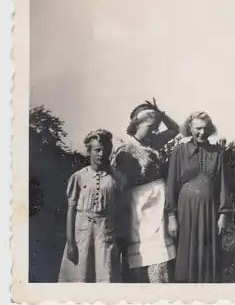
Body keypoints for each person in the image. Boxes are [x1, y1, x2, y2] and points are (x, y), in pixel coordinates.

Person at [111, 99, 180, 283]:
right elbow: (121, 184)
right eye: (151, 126)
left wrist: (160, 113)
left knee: (160, 253)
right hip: (139, 203)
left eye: (157, 126)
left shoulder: (155, 140)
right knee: (141, 252)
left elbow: (175, 130)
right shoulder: (125, 149)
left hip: (158, 201)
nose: (155, 130)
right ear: (137, 124)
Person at [165, 111, 232, 283]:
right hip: (185, 212)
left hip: (210, 212)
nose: (202, 132)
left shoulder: (218, 153)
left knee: (209, 255)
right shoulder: (179, 152)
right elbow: (171, 185)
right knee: (186, 255)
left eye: (206, 128)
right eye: (198, 128)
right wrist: (171, 216)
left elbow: (223, 185)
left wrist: (223, 214)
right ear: (189, 129)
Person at [58, 129, 125, 283]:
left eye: (106, 150)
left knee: (105, 275)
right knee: (80, 276)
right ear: (89, 151)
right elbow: (71, 211)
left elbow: (121, 211)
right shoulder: (79, 177)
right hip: (82, 234)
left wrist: (119, 239)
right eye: (97, 150)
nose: (102, 154)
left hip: (105, 233)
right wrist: (70, 243)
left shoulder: (116, 179)